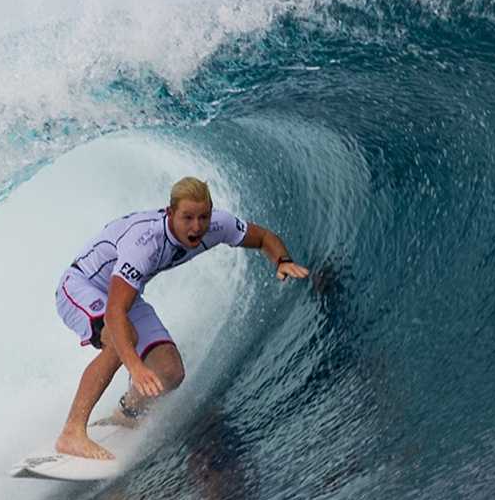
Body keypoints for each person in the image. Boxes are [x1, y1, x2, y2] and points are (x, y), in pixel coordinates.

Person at [53, 176, 310, 459]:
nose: (197, 226)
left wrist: (282, 260)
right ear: (170, 213)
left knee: (170, 372)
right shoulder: (144, 243)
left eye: (203, 216)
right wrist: (136, 367)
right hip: (81, 286)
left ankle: (127, 412)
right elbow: (114, 313)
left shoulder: (216, 226)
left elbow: (262, 237)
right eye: (187, 217)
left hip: (125, 294)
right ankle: (72, 433)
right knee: (120, 338)